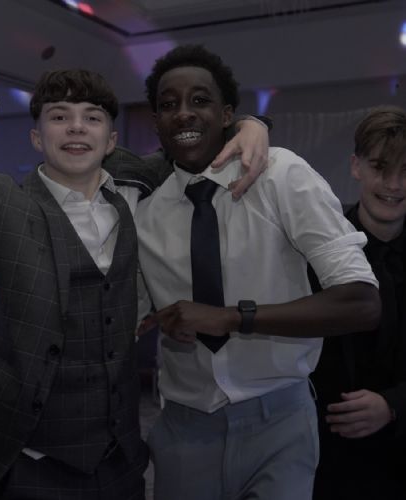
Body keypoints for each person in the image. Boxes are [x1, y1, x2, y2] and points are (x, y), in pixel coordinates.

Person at [0, 69, 268, 499]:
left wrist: (251, 125)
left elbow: (195, 141)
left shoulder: (137, 189)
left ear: (111, 141)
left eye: (92, 117)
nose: (76, 127)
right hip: (25, 455)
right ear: (37, 138)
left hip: (119, 457)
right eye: (59, 116)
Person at [134, 44, 381, 500]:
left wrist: (232, 317)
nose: (184, 113)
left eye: (200, 100)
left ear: (228, 114)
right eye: (169, 105)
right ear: (156, 122)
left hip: (280, 423)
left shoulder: (281, 174)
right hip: (184, 430)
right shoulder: (145, 213)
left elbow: (362, 302)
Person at [311, 106, 406, 500]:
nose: (394, 184)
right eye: (380, 167)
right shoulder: (317, 251)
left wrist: (394, 404)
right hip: (329, 459)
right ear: (356, 167)